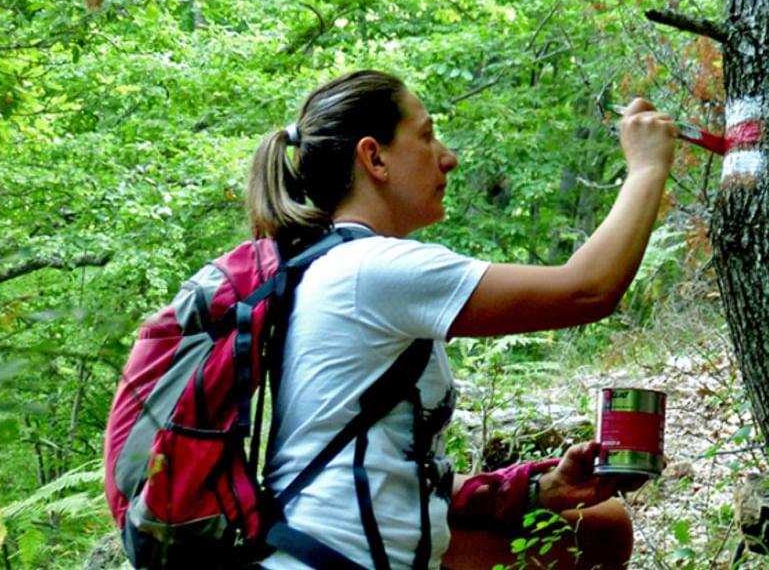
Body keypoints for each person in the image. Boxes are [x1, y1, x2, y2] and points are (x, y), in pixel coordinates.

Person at [247, 69, 677, 570]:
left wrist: (539, 489)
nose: (447, 157)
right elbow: (589, 289)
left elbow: (386, 472)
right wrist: (647, 169)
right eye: (427, 136)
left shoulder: (321, 268)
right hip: (334, 559)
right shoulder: (372, 270)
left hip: (321, 548)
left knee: (598, 529)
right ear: (374, 157)